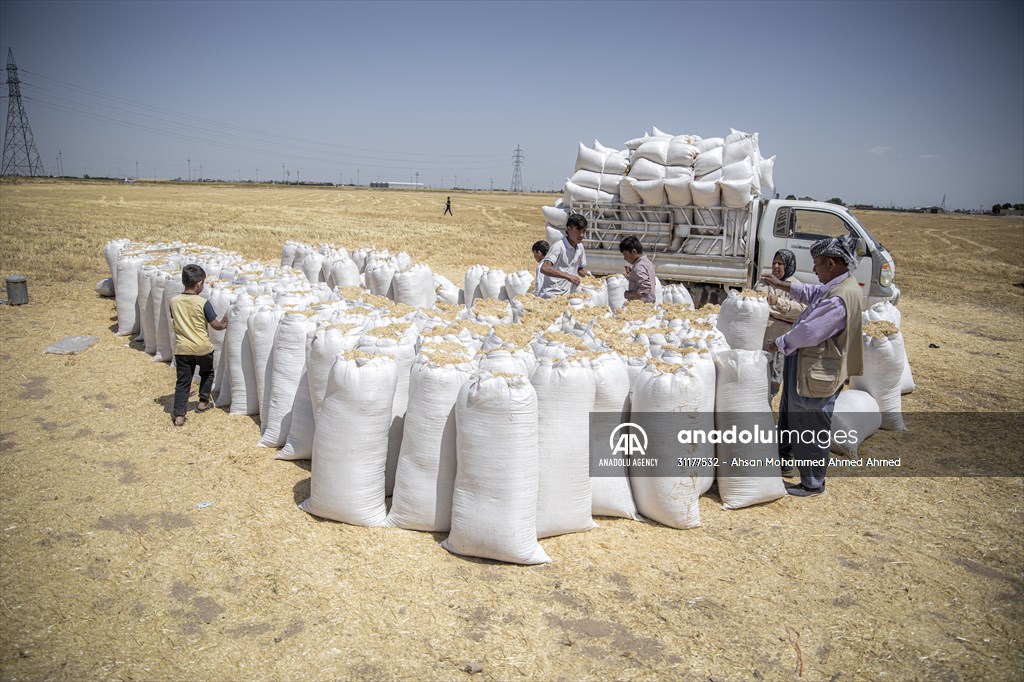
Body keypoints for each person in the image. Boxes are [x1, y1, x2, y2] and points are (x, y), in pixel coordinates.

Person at [760, 236, 863, 497]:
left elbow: (809, 331)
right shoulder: (837, 286)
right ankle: (784, 460)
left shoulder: (840, 298)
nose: (814, 270)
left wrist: (779, 343)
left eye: (817, 264)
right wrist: (780, 284)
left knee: (811, 423)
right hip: (807, 366)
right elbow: (812, 293)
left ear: (831, 263)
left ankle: (813, 482)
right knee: (790, 414)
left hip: (818, 370)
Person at [170, 264, 228, 426]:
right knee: (207, 373)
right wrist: (224, 323)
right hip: (203, 348)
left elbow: (176, 319)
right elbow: (215, 325)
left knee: (183, 381)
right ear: (199, 284)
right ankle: (203, 402)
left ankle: (179, 415)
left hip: (182, 349)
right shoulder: (203, 303)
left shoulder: (174, 302)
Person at [754, 249, 806, 397]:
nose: (776, 266)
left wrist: (777, 303)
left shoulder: (795, 287)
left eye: (781, 263)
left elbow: (799, 311)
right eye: (774, 262)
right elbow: (754, 302)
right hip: (761, 340)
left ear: (789, 265)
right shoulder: (764, 283)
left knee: (774, 381)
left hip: (780, 343)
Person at [537, 213, 591, 298]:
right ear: (568, 229)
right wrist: (567, 276)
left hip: (567, 294)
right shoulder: (559, 246)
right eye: (578, 231)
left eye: (584, 231)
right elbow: (544, 268)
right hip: (552, 294)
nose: (581, 235)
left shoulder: (580, 247)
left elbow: (580, 268)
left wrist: (590, 277)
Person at [620, 236, 655, 303]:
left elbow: (646, 289)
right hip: (649, 304)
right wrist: (632, 274)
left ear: (634, 252)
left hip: (640, 306)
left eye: (625, 255)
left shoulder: (639, 267)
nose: (625, 258)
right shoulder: (647, 262)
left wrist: (629, 294)